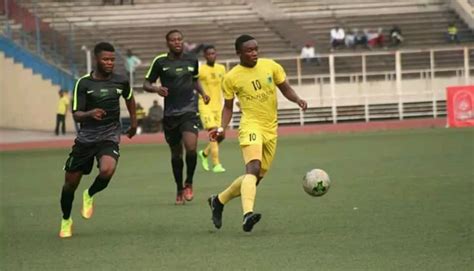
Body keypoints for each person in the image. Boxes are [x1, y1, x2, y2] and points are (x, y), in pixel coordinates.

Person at [207, 35, 308, 232]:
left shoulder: (271, 66)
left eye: (256, 49)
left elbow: (285, 88)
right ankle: (247, 215)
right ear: (239, 53)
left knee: (254, 178)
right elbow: (228, 107)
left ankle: (218, 201)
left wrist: (297, 99)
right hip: (250, 125)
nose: (254, 53)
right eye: (249, 50)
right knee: (252, 168)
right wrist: (222, 128)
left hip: (271, 128)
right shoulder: (231, 77)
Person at [58, 42, 137, 238]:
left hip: (109, 135)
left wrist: (134, 123)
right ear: (96, 60)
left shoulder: (121, 81)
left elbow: (130, 98)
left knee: (107, 169)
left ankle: (90, 194)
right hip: (86, 138)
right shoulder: (83, 83)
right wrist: (90, 113)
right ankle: (66, 219)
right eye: (106, 59)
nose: (110, 63)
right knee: (70, 185)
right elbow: (76, 114)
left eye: (112, 59)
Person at [143, 30, 210, 205]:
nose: (177, 42)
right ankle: (179, 189)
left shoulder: (192, 60)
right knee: (176, 155)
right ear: (167, 43)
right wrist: (156, 89)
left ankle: (189, 182)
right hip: (170, 115)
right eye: (173, 40)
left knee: (191, 148)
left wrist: (203, 93)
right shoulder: (160, 62)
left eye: (180, 39)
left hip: (189, 111)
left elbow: (195, 80)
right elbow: (146, 83)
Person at [197, 45, 227, 173]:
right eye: (208, 54)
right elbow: (194, 84)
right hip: (205, 106)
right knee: (213, 133)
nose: (211, 56)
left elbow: (226, 86)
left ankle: (204, 154)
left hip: (218, 106)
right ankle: (216, 164)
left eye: (213, 53)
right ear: (205, 56)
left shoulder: (221, 68)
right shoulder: (201, 70)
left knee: (222, 135)